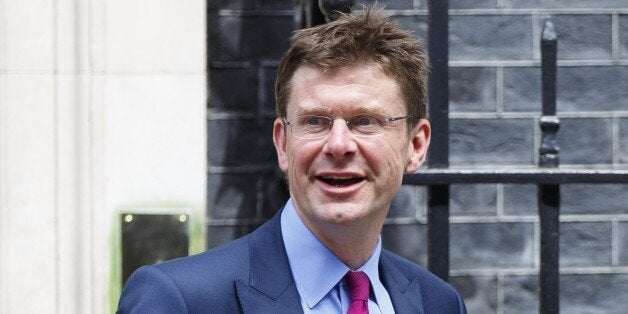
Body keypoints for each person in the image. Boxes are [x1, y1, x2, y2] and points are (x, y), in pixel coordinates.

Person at [118, 7, 466, 314]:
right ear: (283, 144)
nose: (339, 144)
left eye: (365, 121)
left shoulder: (439, 303)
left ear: (416, 145)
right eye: (315, 121)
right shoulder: (179, 299)